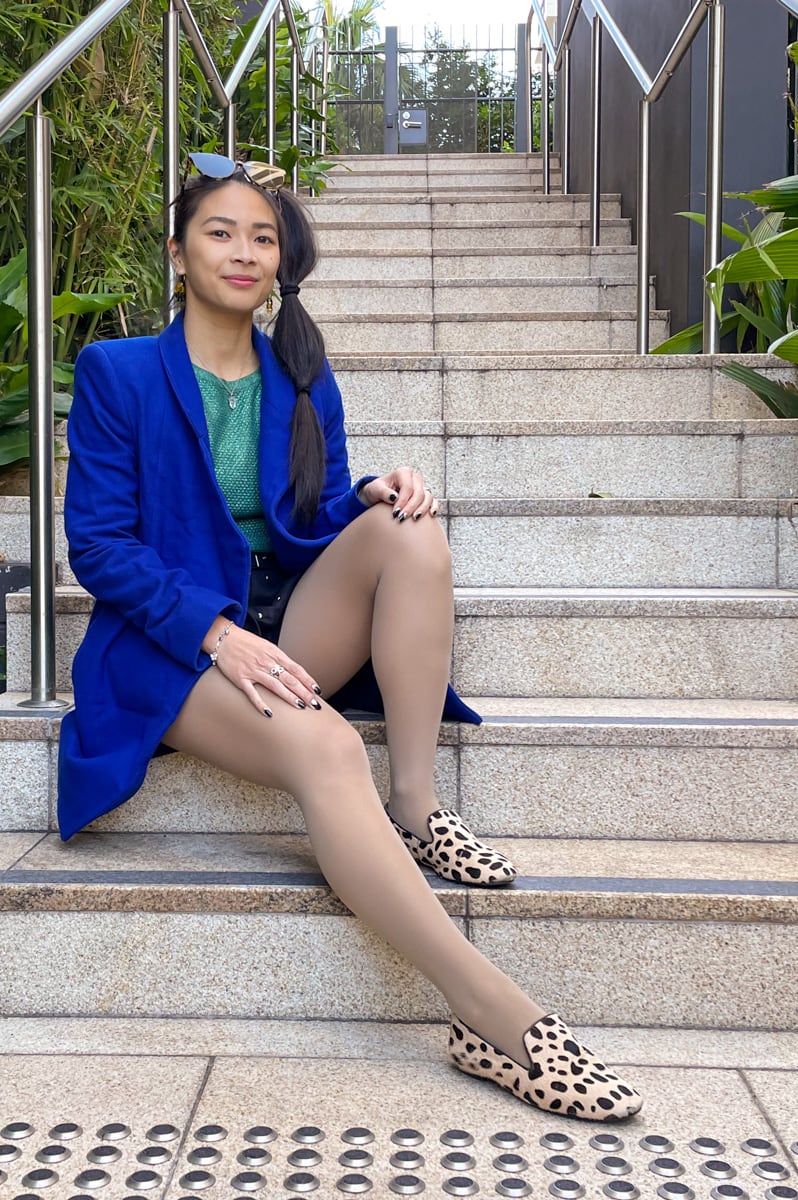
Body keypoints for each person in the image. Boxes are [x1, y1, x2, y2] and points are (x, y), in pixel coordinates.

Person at [56, 152, 641, 1122]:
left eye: (262, 236)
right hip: (170, 654)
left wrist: (369, 494)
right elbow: (99, 548)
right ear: (176, 253)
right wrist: (215, 637)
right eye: (220, 232)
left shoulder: (300, 374)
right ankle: (491, 1015)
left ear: (281, 260)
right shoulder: (117, 373)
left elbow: (315, 513)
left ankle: (412, 802)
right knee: (327, 746)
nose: (244, 252)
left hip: (281, 624)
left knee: (409, 531)